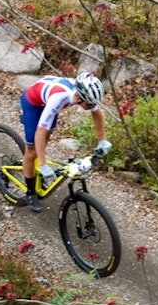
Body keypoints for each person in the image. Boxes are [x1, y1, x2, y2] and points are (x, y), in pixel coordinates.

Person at [20, 71, 111, 213]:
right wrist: (44, 165)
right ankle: (30, 192)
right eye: (90, 103)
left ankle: (38, 167)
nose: (93, 106)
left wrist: (102, 141)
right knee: (32, 151)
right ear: (81, 98)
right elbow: (40, 133)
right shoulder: (59, 98)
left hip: (48, 101)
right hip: (33, 102)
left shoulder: (84, 93)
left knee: (44, 142)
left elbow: (97, 113)